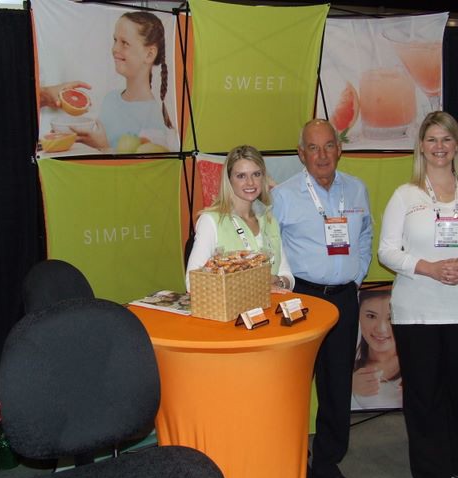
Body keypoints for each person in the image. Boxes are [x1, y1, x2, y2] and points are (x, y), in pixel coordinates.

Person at [378, 111, 458, 478]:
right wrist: (427, 268)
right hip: (417, 312)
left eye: (446, 139)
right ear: (421, 146)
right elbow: (386, 252)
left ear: (457, 145)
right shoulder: (405, 196)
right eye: (432, 139)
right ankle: (429, 471)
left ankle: (456, 464)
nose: (440, 146)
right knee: (422, 395)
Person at [272, 119, 373, 478]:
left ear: (339, 149)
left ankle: (328, 462)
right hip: (301, 298)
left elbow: (365, 236)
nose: (322, 155)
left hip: (344, 298)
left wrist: (356, 276)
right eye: (313, 148)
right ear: (301, 154)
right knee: (294, 384)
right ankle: (292, 459)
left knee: (337, 383)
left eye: (329, 145)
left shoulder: (357, 189)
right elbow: (270, 246)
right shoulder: (284, 195)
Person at [186, 145, 294, 292]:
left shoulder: (269, 219)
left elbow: (287, 275)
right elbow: (192, 284)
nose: (250, 182)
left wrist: (278, 281)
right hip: (231, 306)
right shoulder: (211, 221)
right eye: (241, 176)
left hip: (270, 305)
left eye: (256, 174)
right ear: (229, 180)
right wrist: (252, 287)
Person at [74, 11, 173, 151]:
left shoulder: (155, 114)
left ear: (149, 54)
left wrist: (104, 147)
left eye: (125, 43)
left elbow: (148, 164)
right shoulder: (110, 99)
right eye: (115, 40)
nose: (115, 49)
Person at [351, 289, 401, 410]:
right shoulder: (343, 367)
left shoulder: (420, 366)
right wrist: (348, 386)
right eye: (371, 316)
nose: (381, 329)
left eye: (391, 317)